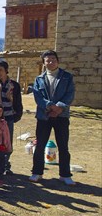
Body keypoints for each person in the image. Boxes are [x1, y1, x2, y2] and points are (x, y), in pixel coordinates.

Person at [29, 50, 76, 186]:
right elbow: (38, 97)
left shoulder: (67, 77)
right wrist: (50, 106)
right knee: (40, 145)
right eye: (47, 60)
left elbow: (70, 94)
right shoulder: (39, 79)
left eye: (53, 60)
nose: (50, 62)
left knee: (63, 146)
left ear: (58, 61)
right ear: (43, 63)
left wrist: (59, 108)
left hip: (61, 115)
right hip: (44, 116)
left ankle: (65, 175)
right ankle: (37, 172)